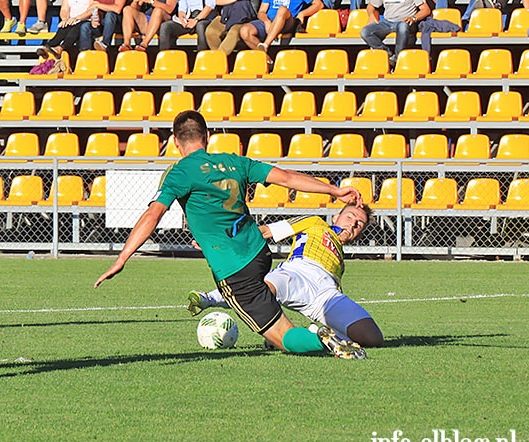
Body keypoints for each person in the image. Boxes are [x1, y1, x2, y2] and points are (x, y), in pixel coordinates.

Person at [94, 110, 365, 358]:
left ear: (176, 142)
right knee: (269, 310)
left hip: (234, 268)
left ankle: (317, 338)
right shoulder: (234, 162)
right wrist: (334, 191)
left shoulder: (179, 173)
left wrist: (122, 258)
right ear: (208, 137)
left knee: (283, 338)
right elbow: (285, 177)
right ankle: (303, 332)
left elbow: (153, 214)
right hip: (259, 252)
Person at [187, 205, 383, 348]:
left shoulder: (340, 257)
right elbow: (263, 232)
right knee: (261, 289)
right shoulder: (316, 222)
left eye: (359, 224)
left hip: (326, 292)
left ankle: (317, 336)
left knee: (372, 337)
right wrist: (218, 242)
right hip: (296, 273)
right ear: (335, 217)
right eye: (350, 217)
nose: (354, 224)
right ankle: (208, 298)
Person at [361, 0, 431, 65]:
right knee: (365, 32)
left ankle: (399, 58)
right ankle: (388, 55)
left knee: (402, 27)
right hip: (387, 22)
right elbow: (371, 6)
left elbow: (425, 9)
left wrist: (413, 18)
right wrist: (371, 15)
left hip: (405, 22)